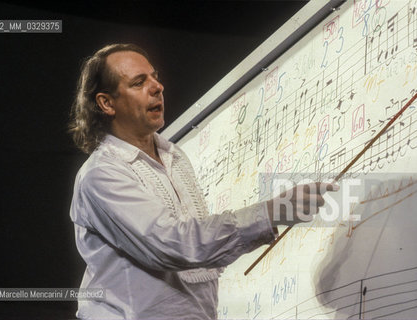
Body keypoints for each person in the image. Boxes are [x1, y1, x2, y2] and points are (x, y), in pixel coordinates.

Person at [69, 43, 337, 320]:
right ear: (106, 103)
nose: (157, 86)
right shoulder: (102, 174)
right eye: (139, 82)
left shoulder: (174, 155)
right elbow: (172, 244)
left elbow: (195, 262)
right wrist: (269, 213)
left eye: (154, 76)